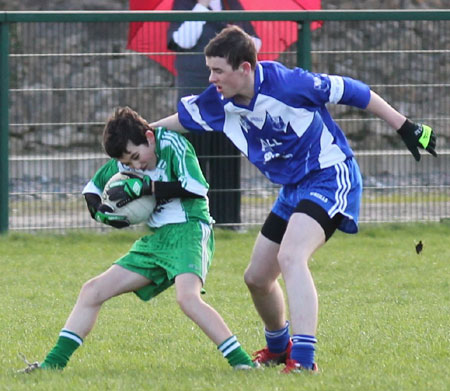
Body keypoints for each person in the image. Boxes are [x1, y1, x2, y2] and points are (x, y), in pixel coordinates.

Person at [147, 26, 438, 373]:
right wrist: (142, 133)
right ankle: (278, 348)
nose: (211, 78)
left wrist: (405, 125)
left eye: (218, 70)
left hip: (329, 176)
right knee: (256, 277)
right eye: (209, 69)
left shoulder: (288, 84)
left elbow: (354, 91)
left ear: (245, 69)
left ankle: (304, 360)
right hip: (292, 190)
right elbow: (180, 120)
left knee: (291, 256)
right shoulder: (218, 100)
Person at [19, 106, 257, 373]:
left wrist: (148, 187)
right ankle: (52, 365)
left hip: (189, 230)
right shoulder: (125, 159)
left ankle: (243, 364)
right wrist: (100, 212)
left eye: (135, 157)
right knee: (92, 291)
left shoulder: (173, 144)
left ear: (149, 137)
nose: (135, 166)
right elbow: (93, 189)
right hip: (157, 241)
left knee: (187, 299)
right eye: (128, 164)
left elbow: (197, 188)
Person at [167, 0, 262, 226]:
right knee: (193, 160)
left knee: (226, 160)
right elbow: (182, 40)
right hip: (195, 95)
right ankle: (192, 219)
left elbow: (254, 43)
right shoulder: (183, 5)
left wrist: (235, 38)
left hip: (228, 99)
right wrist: (201, 7)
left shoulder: (230, 6)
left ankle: (228, 221)